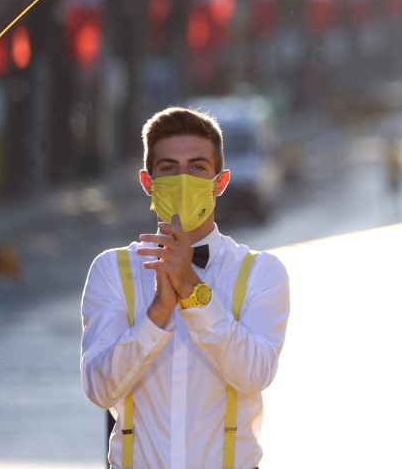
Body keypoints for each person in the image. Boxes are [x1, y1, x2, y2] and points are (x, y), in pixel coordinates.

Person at [80, 106, 290, 469]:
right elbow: (100, 391)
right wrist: (157, 314)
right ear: (148, 183)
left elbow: (254, 374)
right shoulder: (111, 270)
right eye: (168, 169)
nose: (182, 180)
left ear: (219, 183)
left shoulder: (261, 272)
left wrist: (194, 293)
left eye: (196, 168)